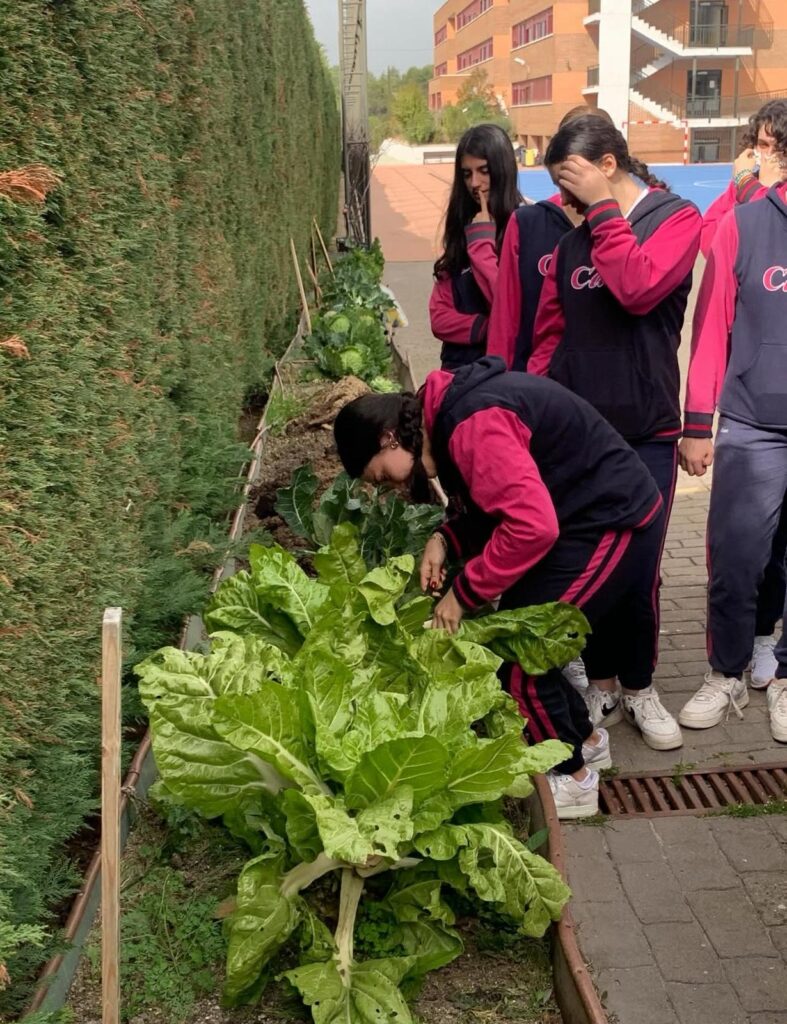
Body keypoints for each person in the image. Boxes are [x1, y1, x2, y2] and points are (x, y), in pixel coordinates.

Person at [334, 357, 683, 819]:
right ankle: (588, 742)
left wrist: (464, 594)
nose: (390, 486)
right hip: (574, 516)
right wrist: (444, 538)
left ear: (388, 438)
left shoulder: (472, 423)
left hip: (610, 520)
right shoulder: (445, 419)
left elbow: (531, 528)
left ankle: (573, 780)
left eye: (380, 474)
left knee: (520, 655)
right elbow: (489, 500)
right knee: (517, 637)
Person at [524, 115, 702, 735]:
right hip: (581, 440)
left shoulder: (676, 220)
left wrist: (602, 212)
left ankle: (640, 685)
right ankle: (599, 682)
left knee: (639, 568)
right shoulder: (572, 244)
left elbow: (637, 288)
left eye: (571, 183)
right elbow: (549, 340)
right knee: (592, 564)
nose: (563, 201)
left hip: (646, 431)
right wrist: (535, 418)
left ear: (607, 165)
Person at [677, 178, 787, 743]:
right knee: (737, 560)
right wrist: (698, 424)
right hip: (752, 424)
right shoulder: (742, 225)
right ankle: (726, 673)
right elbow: (711, 329)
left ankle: (784, 676)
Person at [699, 99, 787, 686]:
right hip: (753, 411)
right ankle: (728, 668)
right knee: (739, 553)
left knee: (775, 555)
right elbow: (709, 256)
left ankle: (770, 655)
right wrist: (742, 193)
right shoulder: (742, 213)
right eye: (758, 144)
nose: (763, 157)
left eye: (773, 146)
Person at [429, 124, 524, 371]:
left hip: (502, 374)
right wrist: (485, 327)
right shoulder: (462, 226)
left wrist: (482, 244)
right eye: (467, 174)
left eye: (484, 171)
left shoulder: (526, 227)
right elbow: (439, 317)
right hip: (457, 371)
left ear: (502, 170)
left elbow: (508, 307)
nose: (475, 183)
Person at [700, 98, 787, 256]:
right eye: (763, 145)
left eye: (781, 148)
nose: (770, 155)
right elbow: (710, 242)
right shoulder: (743, 184)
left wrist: (760, 191)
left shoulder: (746, 183)